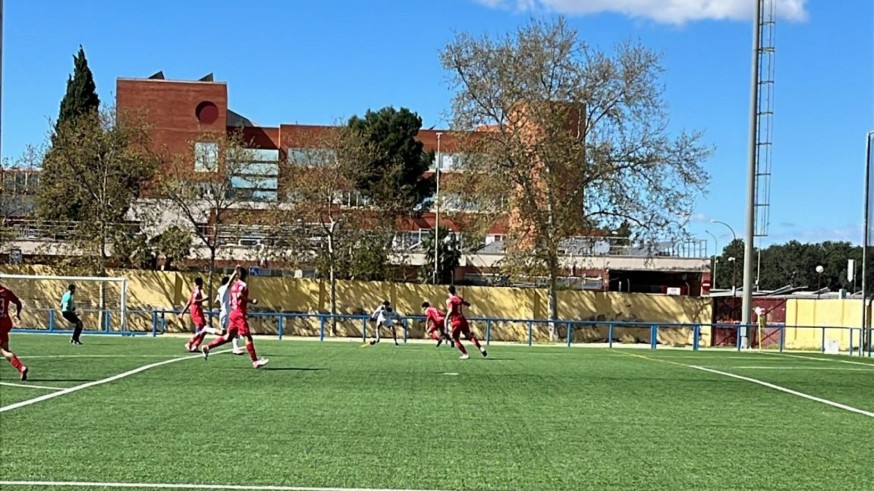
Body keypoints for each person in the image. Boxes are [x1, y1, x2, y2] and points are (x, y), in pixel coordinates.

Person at [202, 266, 268, 368]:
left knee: (228, 337)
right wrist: (251, 301)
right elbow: (239, 295)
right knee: (247, 337)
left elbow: (233, 297)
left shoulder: (233, 286)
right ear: (245, 275)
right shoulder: (243, 285)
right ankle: (255, 361)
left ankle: (207, 346)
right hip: (239, 314)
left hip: (233, 313)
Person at [446, 285, 487, 360]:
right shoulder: (458, 298)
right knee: (469, 336)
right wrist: (468, 304)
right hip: (463, 320)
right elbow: (466, 303)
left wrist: (446, 319)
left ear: (448, 292)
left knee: (455, 339)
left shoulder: (449, 300)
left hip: (456, 321)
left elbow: (451, 310)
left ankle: (465, 354)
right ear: (454, 291)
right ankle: (481, 348)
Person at [182, 277, 219, 352]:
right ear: (201, 283)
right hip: (196, 312)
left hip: (198, 311)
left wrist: (182, 312)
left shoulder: (195, 291)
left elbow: (189, 302)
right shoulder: (196, 291)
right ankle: (190, 343)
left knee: (204, 330)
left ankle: (195, 346)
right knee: (201, 330)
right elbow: (194, 301)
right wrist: (204, 299)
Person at [0, 283, 28, 381]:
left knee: (3, 351)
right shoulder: (6, 292)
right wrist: (17, 313)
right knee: (5, 349)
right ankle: (21, 368)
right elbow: (18, 303)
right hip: (5, 322)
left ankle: (21, 367)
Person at [215, 274, 243, 355]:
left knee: (234, 331)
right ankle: (206, 329)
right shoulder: (225, 288)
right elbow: (230, 281)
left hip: (228, 313)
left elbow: (216, 301)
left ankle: (236, 348)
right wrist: (235, 273)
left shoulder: (221, 289)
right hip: (226, 313)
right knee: (223, 333)